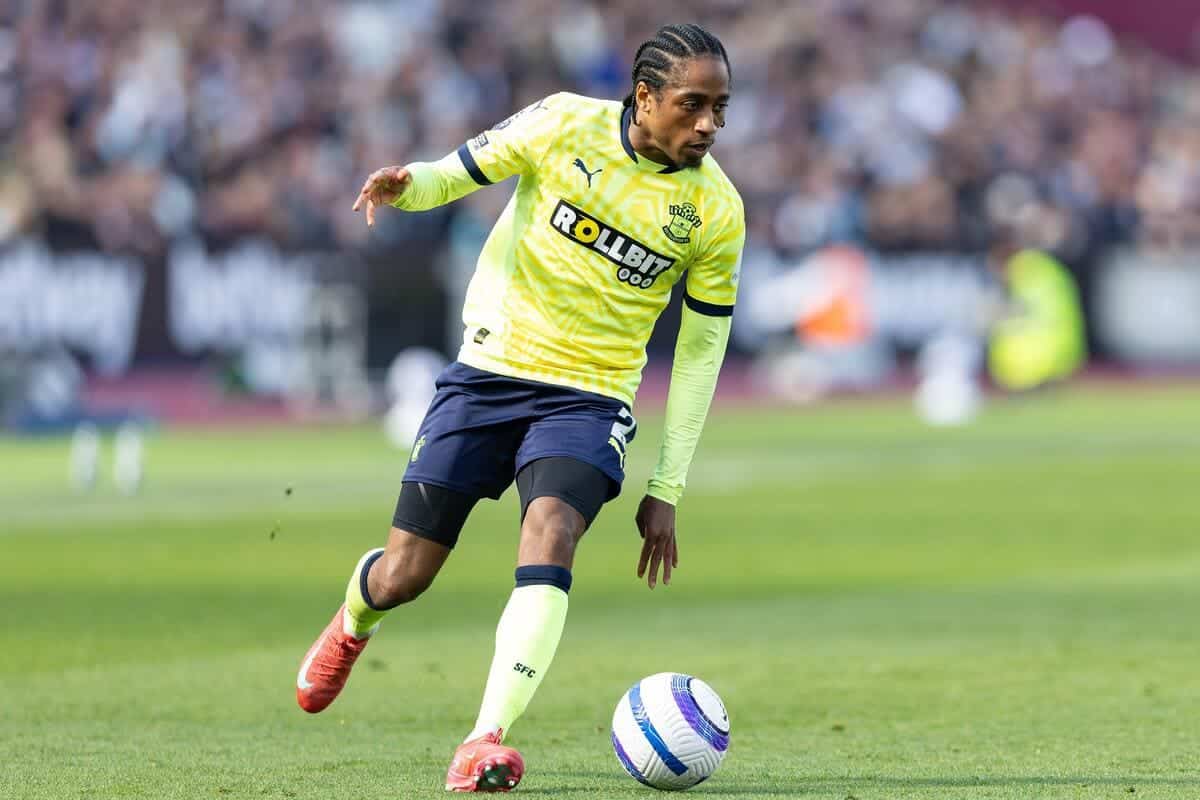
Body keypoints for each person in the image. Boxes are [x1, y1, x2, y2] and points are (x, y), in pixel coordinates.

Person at [295, 23, 745, 793]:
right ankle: (353, 621)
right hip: (490, 372)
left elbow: (701, 352)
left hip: (592, 395)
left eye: (720, 109)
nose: (708, 125)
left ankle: (483, 739)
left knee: (553, 530)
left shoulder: (716, 211)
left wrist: (666, 486)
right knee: (404, 574)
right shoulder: (562, 122)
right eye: (692, 105)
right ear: (644, 97)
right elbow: (458, 172)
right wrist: (410, 185)